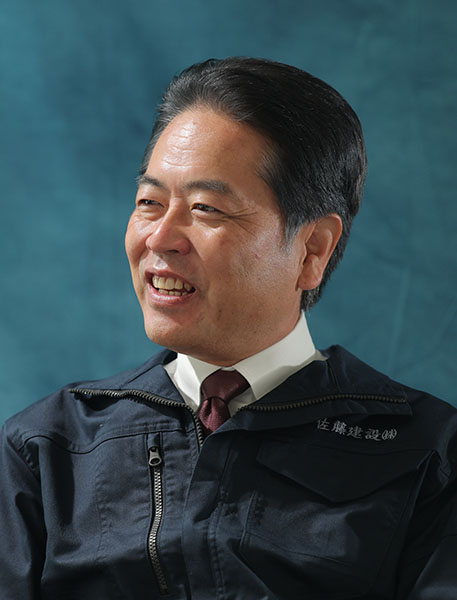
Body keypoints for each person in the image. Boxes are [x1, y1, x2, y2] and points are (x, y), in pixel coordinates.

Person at [1, 57, 456, 600]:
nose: (160, 237)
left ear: (312, 249)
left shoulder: (429, 453)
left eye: (206, 209)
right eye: (149, 202)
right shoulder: (47, 450)